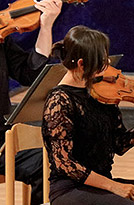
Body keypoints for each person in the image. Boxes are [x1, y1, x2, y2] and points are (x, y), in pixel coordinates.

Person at [41, 25, 134, 205]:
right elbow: (66, 165)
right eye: (101, 61)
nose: (108, 64)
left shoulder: (101, 94)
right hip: (71, 190)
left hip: (102, 185)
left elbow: (120, 144)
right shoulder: (59, 100)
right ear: (81, 64)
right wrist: (114, 187)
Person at [0, 1, 60, 204]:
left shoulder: (2, 40)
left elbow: (29, 73)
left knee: (50, 163)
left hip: (1, 136)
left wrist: (46, 25)